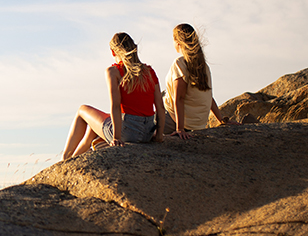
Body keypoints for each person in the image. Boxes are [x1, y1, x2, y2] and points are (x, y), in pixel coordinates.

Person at [62, 32, 165, 160]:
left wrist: (117, 138)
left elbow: (115, 105)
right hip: (147, 133)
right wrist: (159, 135)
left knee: (82, 110)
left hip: (127, 132)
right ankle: (75, 159)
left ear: (113, 52)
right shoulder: (149, 71)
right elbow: (160, 107)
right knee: (95, 127)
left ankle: (65, 158)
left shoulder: (114, 71)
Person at [163, 23, 238, 139]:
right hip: (198, 125)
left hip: (174, 120)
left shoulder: (180, 63)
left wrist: (180, 129)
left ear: (177, 42)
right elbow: (208, 96)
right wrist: (221, 120)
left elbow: (179, 98)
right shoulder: (204, 66)